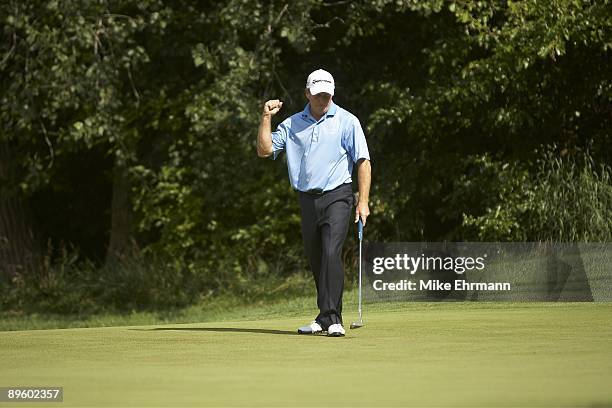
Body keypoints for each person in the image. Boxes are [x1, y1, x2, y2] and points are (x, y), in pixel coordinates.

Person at [257, 69, 371, 337]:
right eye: (318, 94)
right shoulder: (293, 123)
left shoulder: (347, 121)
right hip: (307, 200)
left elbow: (363, 161)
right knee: (317, 257)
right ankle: (324, 317)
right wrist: (265, 118)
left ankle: (333, 319)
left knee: (331, 252)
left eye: (327, 94)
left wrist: (363, 201)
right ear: (307, 93)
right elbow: (265, 150)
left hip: (338, 196)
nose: (323, 99)